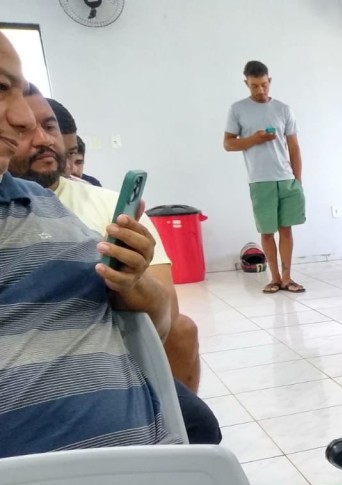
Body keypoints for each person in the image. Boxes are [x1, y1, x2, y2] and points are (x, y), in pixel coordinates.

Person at [0, 35, 327, 485]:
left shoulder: (46, 206)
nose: (23, 119)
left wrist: (136, 284)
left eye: (23, 90)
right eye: (0, 91)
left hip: (155, 480)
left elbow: (157, 318)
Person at [8, 86, 220, 444]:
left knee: (199, 426)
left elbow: (165, 316)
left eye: (50, 126)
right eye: (25, 129)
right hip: (30, 380)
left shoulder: (108, 206)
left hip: (115, 354)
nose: (43, 139)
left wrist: (132, 280)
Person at [223, 60, 306, 294]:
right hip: (260, 180)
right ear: (246, 83)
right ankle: (274, 279)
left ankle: (287, 278)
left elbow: (294, 148)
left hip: (286, 179)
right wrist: (254, 139)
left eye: (263, 85)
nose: (260, 90)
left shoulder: (283, 109)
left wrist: (298, 180)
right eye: (254, 86)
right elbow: (228, 144)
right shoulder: (238, 109)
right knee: (267, 232)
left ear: (269, 81)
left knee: (286, 230)